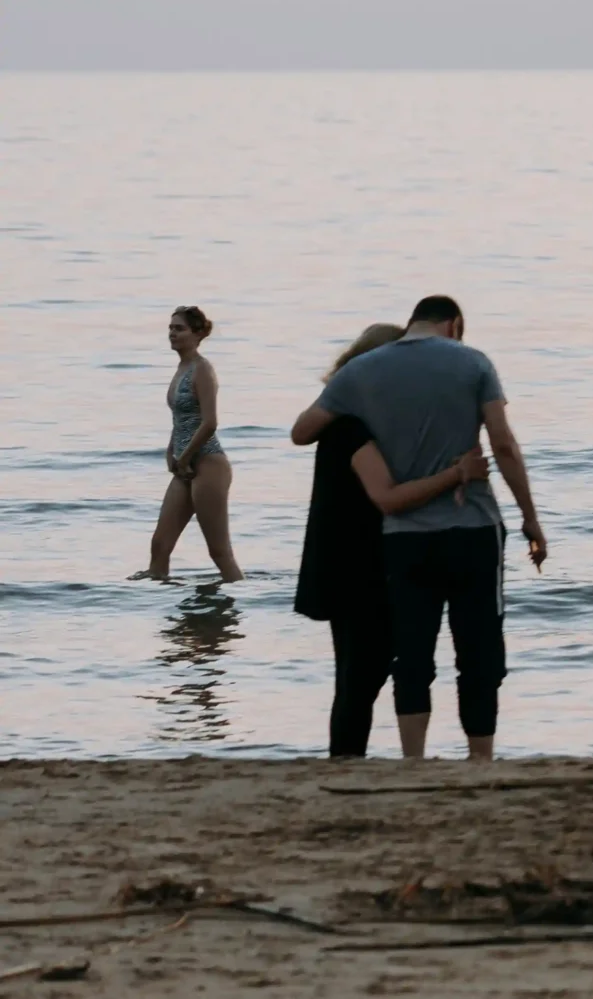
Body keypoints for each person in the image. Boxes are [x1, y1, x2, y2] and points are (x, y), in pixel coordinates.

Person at [288, 296, 548, 761]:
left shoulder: (360, 375)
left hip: (401, 538)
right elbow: (503, 444)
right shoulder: (473, 362)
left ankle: (413, 759)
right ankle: (480, 758)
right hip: (471, 527)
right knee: (479, 650)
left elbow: (302, 431)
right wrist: (530, 516)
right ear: (454, 325)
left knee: (411, 655)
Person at [148, 306, 244, 582]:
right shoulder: (182, 368)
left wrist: (187, 456)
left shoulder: (203, 369)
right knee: (160, 546)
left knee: (219, 552)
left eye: (179, 329)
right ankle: (159, 611)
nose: (172, 334)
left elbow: (210, 422)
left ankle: (239, 607)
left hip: (208, 464)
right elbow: (182, 419)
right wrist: (171, 451)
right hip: (184, 464)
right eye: (170, 328)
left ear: (197, 333)